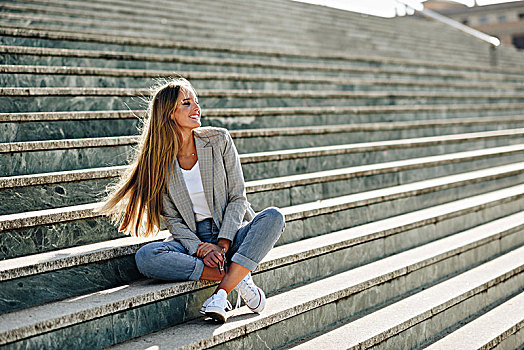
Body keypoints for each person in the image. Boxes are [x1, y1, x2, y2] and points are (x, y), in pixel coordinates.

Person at [99, 78, 285, 323]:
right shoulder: (158, 162)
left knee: (273, 217)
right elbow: (173, 219)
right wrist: (199, 248)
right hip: (192, 240)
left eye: (196, 102)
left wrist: (222, 245)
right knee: (146, 257)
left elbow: (238, 197)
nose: (197, 108)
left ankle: (221, 293)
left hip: (230, 233)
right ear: (169, 114)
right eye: (187, 103)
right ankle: (236, 275)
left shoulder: (219, 140)